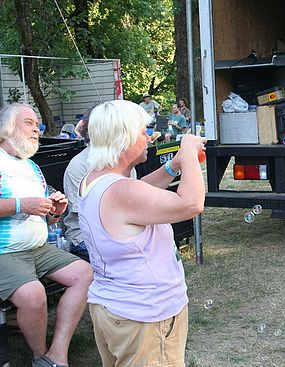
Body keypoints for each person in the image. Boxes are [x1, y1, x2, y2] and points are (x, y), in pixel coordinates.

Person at [79, 100, 206, 366]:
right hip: (146, 316)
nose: (148, 137)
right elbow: (191, 203)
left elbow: (139, 191)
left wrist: (174, 165)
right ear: (124, 139)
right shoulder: (122, 192)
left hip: (113, 308)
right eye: (142, 132)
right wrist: (188, 150)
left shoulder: (96, 179)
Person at [0, 103, 93, 367]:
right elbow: (23, 206)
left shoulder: (32, 167)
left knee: (84, 273)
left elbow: (44, 217)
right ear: (8, 128)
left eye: (37, 124)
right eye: (28, 122)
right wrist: (21, 205)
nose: (37, 129)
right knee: (34, 296)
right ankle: (40, 357)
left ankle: (57, 352)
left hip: (38, 248)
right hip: (4, 252)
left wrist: (56, 211)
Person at [63, 107, 138, 258]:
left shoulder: (123, 160)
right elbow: (87, 217)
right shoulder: (79, 165)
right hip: (87, 236)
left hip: (122, 229)